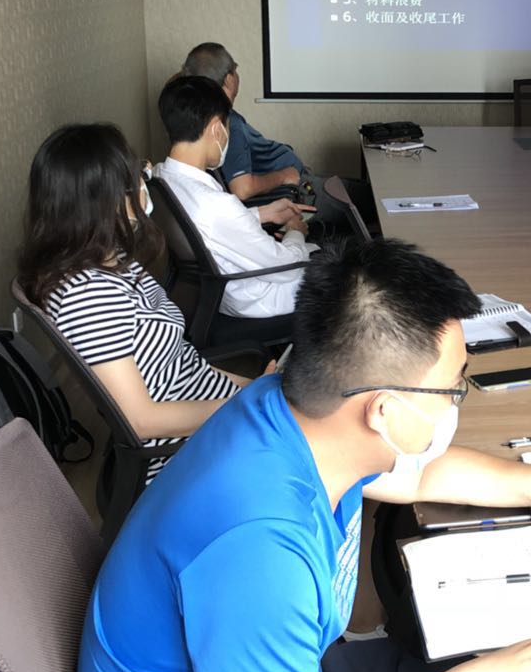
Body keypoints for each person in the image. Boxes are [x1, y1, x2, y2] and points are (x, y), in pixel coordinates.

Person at [77, 238, 531, 672]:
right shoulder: (259, 551)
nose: (457, 399)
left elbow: (418, 476)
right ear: (384, 412)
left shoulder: (289, 409)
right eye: (452, 388)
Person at [18, 123, 251, 480]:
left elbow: (183, 364)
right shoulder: (88, 295)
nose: (146, 177)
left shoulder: (114, 260)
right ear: (105, 201)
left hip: (213, 415)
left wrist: (256, 390)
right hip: (186, 453)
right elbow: (141, 421)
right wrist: (246, 408)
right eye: (136, 174)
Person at [155, 75, 316, 319]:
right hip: (260, 298)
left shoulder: (162, 175)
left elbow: (202, 227)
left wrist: (262, 213)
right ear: (216, 128)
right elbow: (286, 268)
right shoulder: (217, 205)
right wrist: (295, 232)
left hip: (219, 292)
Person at [181, 42, 308, 203]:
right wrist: (284, 176)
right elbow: (242, 189)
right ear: (229, 79)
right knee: (339, 194)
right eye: (235, 69)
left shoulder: (203, 116)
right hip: (293, 189)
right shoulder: (226, 125)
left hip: (294, 182)